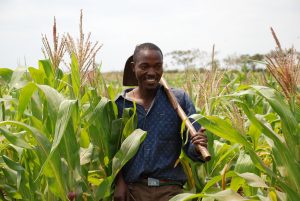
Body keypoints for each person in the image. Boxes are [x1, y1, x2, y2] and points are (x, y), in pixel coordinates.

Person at [114, 43, 208, 201]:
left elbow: (191, 147)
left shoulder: (179, 101)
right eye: (144, 66)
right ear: (133, 67)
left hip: (171, 191)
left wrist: (198, 147)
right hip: (133, 190)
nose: (151, 73)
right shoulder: (120, 104)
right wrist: (119, 182)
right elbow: (114, 151)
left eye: (157, 66)